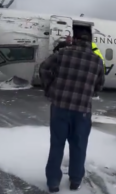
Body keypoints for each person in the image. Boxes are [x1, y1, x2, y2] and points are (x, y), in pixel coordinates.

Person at [39, 32, 105, 192]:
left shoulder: (62, 54)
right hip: (82, 110)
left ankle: (53, 182)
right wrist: (89, 92)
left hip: (60, 107)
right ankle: (75, 180)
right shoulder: (97, 61)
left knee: (57, 144)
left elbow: (44, 69)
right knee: (79, 146)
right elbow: (100, 85)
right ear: (90, 42)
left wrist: (50, 89)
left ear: (74, 40)